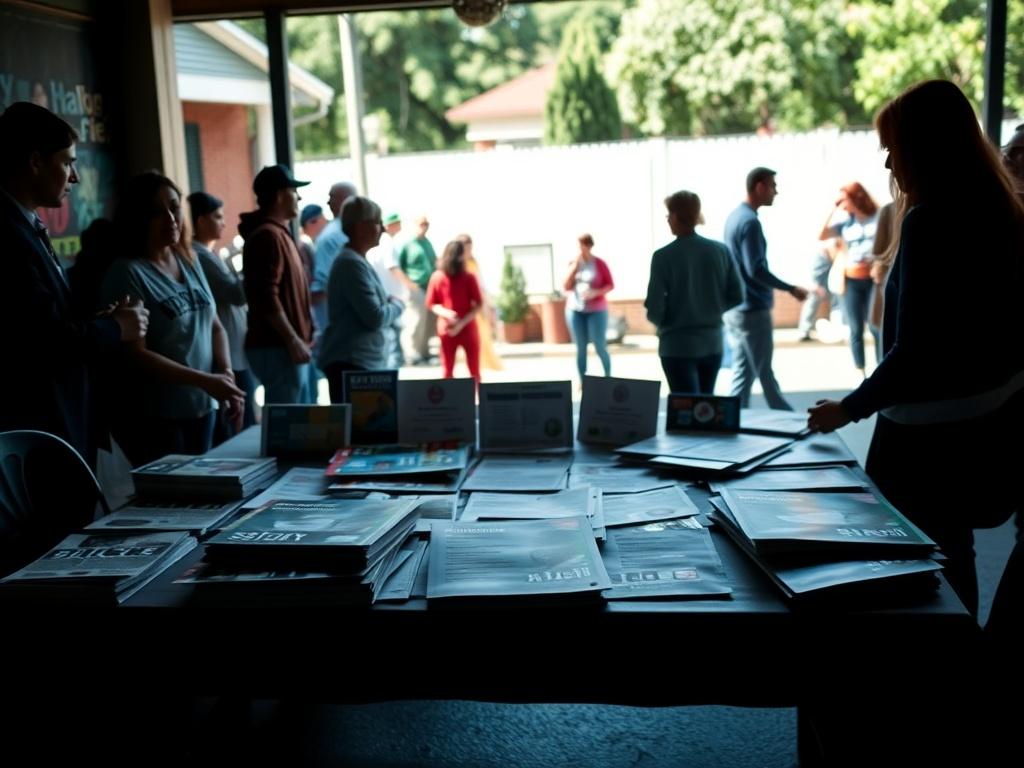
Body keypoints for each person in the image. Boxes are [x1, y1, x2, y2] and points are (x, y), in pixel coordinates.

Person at [807, 80, 1024, 617]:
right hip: (984, 425)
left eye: (893, 147)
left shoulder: (931, 221)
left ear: (924, 148)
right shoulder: (1000, 210)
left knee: (907, 567)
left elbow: (914, 352)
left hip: (922, 441)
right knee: (955, 555)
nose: (887, 162)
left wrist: (846, 409)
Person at [0, 102, 148, 469]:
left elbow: (45, 320)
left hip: (61, 427)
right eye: (67, 162)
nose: (74, 177)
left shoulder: (25, 225)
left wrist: (98, 320)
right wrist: (115, 328)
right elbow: (45, 341)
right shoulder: (6, 235)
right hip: (41, 436)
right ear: (35, 161)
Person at [101, 173, 243, 465]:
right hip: (157, 417)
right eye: (156, 211)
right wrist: (207, 381)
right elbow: (136, 354)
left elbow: (214, 325)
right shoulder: (127, 272)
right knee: (173, 504)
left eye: (175, 207)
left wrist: (225, 373)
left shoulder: (187, 259)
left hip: (203, 408)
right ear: (137, 218)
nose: (170, 217)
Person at [723, 167, 808, 410]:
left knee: (742, 375)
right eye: (773, 186)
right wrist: (790, 288)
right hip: (752, 310)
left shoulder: (735, 217)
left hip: (736, 310)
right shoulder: (749, 223)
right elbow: (755, 270)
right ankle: (795, 424)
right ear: (759, 187)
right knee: (766, 377)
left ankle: (731, 421)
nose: (776, 192)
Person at [645, 191, 743, 394]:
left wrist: (664, 322)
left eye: (668, 215)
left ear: (674, 216)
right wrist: (712, 309)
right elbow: (737, 295)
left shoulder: (663, 257)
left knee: (685, 411)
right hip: (712, 343)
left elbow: (654, 306)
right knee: (705, 409)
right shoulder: (720, 251)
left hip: (676, 345)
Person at [240, 164, 315, 406]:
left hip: (283, 347)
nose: (299, 198)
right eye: (295, 192)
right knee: (287, 428)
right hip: (278, 348)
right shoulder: (268, 236)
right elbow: (266, 296)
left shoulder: (276, 233)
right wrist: (292, 339)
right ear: (281, 195)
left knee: (294, 424)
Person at [317, 196, 405, 402]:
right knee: (360, 432)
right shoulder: (350, 264)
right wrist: (397, 305)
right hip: (352, 364)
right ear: (361, 227)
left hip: (358, 363)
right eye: (377, 223)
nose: (382, 229)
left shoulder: (354, 260)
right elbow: (375, 317)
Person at [189, 191, 256, 439]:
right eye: (217, 217)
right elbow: (237, 294)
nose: (224, 223)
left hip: (235, 351)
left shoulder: (208, 254)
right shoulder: (200, 256)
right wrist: (253, 257)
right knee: (241, 427)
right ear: (200, 221)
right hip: (229, 357)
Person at [818, 182, 881, 376]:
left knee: (875, 325)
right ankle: (860, 371)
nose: (843, 204)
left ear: (856, 198)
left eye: (844, 199)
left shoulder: (877, 216)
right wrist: (833, 207)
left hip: (873, 280)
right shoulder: (846, 223)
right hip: (851, 280)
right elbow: (822, 234)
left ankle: (881, 369)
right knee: (855, 328)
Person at [425, 239, 483, 384]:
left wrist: (461, 323)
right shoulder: (438, 277)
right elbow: (431, 303)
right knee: (447, 370)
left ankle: (478, 402)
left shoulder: (469, 277)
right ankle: (449, 404)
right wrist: (445, 313)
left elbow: (479, 304)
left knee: (474, 370)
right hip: (447, 328)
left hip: (467, 327)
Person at [563, 233, 614, 379]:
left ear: (589, 246)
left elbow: (610, 284)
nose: (580, 248)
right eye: (578, 245)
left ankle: (608, 376)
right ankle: (582, 379)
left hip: (597, 310)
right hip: (575, 309)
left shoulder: (599, 264)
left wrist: (596, 293)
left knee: (599, 345)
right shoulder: (574, 263)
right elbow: (565, 285)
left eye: (582, 245)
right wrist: (574, 266)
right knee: (580, 347)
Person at [311, 181, 357, 336]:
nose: (328, 202)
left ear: (345, 199)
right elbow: (325, 279)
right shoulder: (336, 233)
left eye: (332, 197)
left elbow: (325, 279)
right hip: (340, 310)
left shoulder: (334, 233)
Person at [366, 211, 410, 368]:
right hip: (391, 297)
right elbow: (392, 267)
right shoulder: (386, 243)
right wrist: (409, 286)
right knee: (393, 346)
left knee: (389, 342)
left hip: (384, 296)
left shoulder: (378, 244)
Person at [457, 233, 502, 371]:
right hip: (466, 304)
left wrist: (487, 302)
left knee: (483, 332)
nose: (469, 251)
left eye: (470, 247)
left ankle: (483, 361)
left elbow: (480, 282)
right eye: (466, 248)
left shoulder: (473, 262)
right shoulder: (458, 264)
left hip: (477, 302)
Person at [397, 214, 437, 365]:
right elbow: (399, 266)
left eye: (426, 224)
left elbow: (434, 262)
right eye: (421, 224)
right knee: (415, 320)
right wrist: (408, 284)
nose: (424, 227)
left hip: (428, 287)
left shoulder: (427, 243)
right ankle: (411, 353)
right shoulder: (408, 245)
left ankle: (424, 351)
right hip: (414, 286)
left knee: (427, 321)